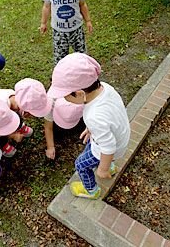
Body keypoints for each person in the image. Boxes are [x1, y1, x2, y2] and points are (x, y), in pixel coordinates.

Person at [47, 53, 130, 199]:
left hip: (110, 147)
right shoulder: (105, 88)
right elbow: (108, 117)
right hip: (120, 136)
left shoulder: (93, 116)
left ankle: (91, 190)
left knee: (80, 164)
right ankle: (109, 166)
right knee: (93, 149)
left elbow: (108, 146)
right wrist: (93, 128)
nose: (63, 98)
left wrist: (102, 170)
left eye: (65, 95)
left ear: (78, 93)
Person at [0, 78, 52, 157]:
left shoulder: (16, 97)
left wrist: (23, 112)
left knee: (16, 117)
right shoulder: (0, 110)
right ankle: (3, 145)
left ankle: (19, 127)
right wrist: (13, 135)